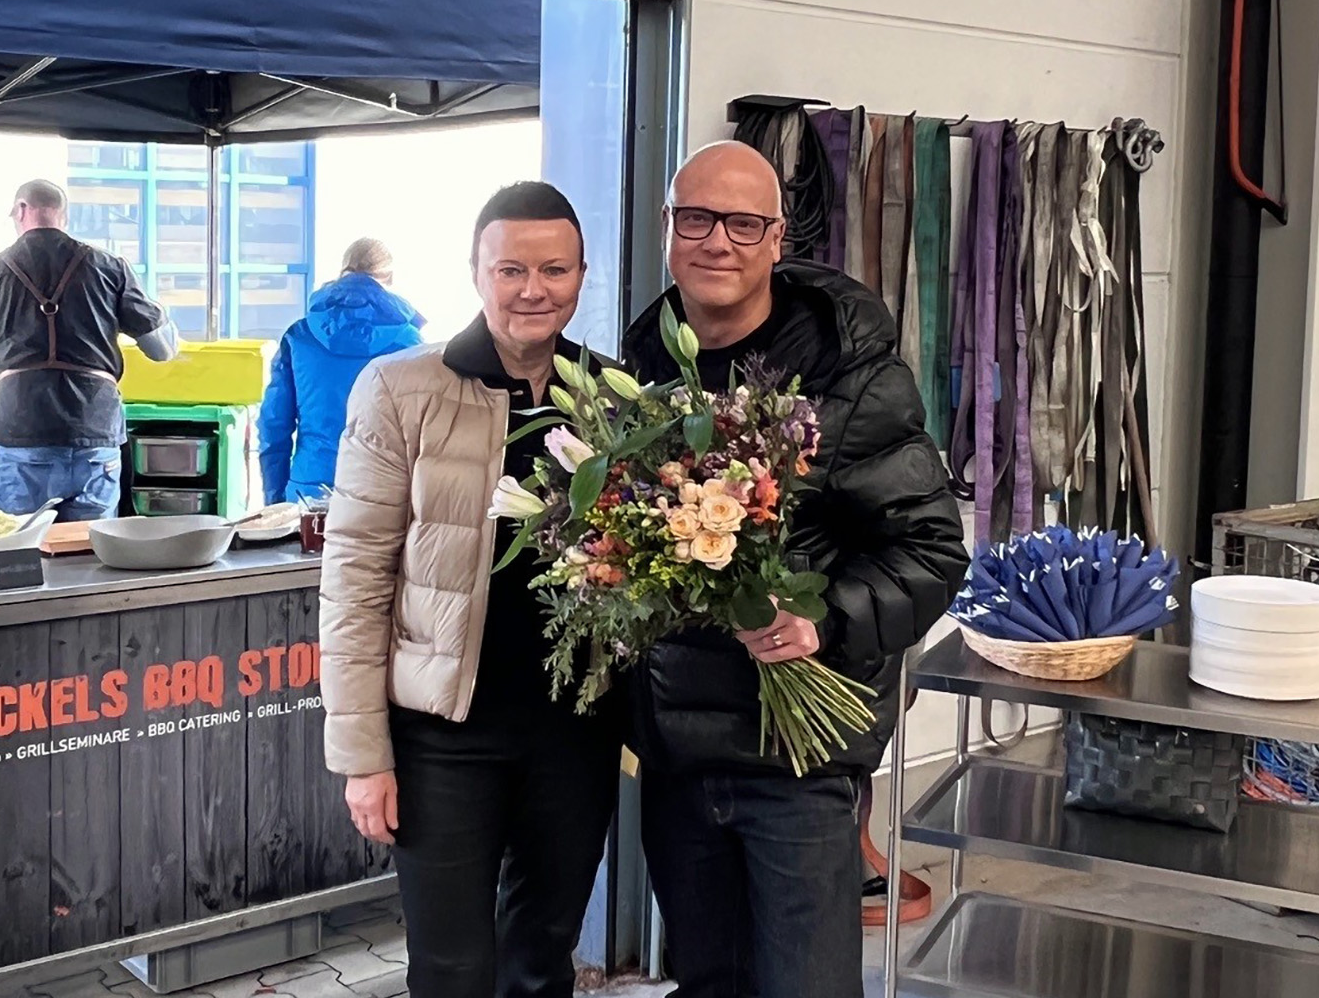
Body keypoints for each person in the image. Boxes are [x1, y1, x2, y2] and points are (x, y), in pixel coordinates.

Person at [621, 142, 968, 998]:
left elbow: (931, 550)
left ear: (778, 238)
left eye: (744, 223)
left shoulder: (851, 376)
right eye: (696, 218)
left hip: (800, 765)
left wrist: (827, 620)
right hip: (680, 758)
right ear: (669, 228)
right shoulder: (641, 373)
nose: (717, 242)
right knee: (708, 984)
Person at [319, 182, 621, 998]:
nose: (533, 289)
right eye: (511, 268)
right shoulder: (401, 389)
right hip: (442, 739)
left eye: (554, 269)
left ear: (582, 273)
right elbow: (353, 579)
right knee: (451, 967)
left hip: (573, 734)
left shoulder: (611, 398)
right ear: (476, 272)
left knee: (542, 956)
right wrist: (362, 757)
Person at [0, 179, 178, 521]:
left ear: (21, 209)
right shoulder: (112, 267)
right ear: (63, 214)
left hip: (23, 434)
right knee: (88, 556)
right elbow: (162, 349)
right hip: (96, 434)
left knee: (17, 556)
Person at [258, 237, 424, 505]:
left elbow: (273, 424)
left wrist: (275, 501)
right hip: (384, 494)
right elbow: (422, 434)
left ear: (342, 270)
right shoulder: (409, 342)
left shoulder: (300, 335)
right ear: (389, 277)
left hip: (308, 493)